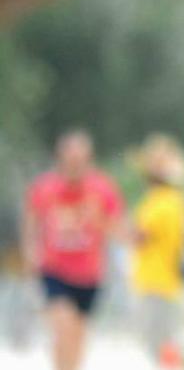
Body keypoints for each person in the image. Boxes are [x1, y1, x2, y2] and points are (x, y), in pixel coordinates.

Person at [20, 130, 124, 370]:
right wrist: (29, 253)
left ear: (89, 159)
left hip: (89, 273)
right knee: (62, 327)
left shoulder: (102, 188)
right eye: (70, 159)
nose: (75, 165)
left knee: (77, 334)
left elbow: (115, 224)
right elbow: (31, 221)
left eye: (80, 159)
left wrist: (132, 238)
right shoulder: (45, 187)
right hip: (54, 269)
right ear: (61, 158)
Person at [128, 133, 184, 368]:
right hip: (166, 280)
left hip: (157, 281)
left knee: (159, 343)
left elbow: (139, 236)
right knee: (165, 342)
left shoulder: (161, 201)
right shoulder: (173, 199)